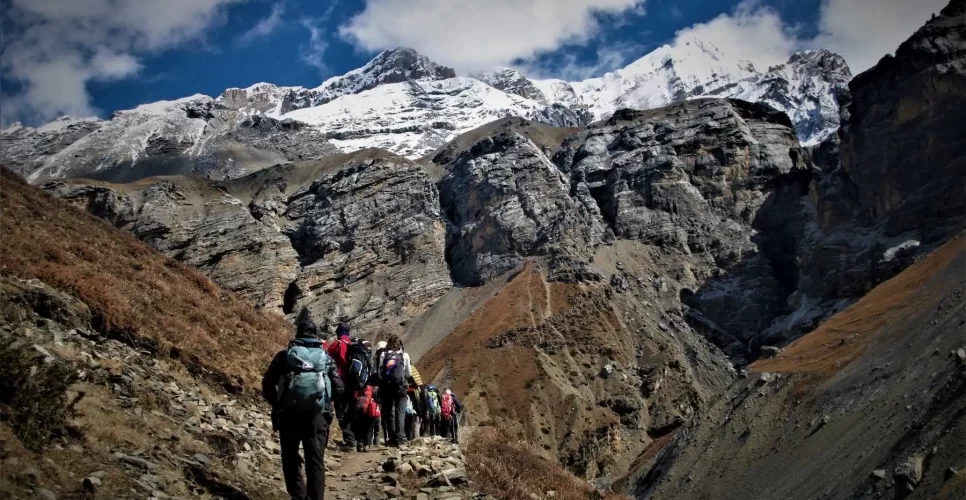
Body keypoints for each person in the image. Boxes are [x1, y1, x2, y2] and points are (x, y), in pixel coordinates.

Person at [262, 317, 344, 500]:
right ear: (315, 336)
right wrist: (328, 405)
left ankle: (298, 496)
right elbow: (339, 388)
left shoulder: (284, 356)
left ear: (297, 335)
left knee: (290, 458)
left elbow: (267, 383)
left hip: (288, 414)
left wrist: (278, 403)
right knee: (315, 461)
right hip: (317, 416)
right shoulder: (326, 359)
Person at [375, 334, 412, 447]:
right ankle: (400, 438)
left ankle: (391, 437)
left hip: (387, 387)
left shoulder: (383, 354)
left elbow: (379, 370)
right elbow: (408, 373)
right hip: (401, 387)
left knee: (389, 412)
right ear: (400, 344)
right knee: (400, 413)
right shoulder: (404, 355)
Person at [326, 322, 357, 450]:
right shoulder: (354, 345)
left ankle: (350, 441)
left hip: (340, 382)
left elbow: (326, 354)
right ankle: (359, 440)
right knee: (352, 411)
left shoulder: (337, 344)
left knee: (342, 412)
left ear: (338, 332)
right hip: (354, 384)